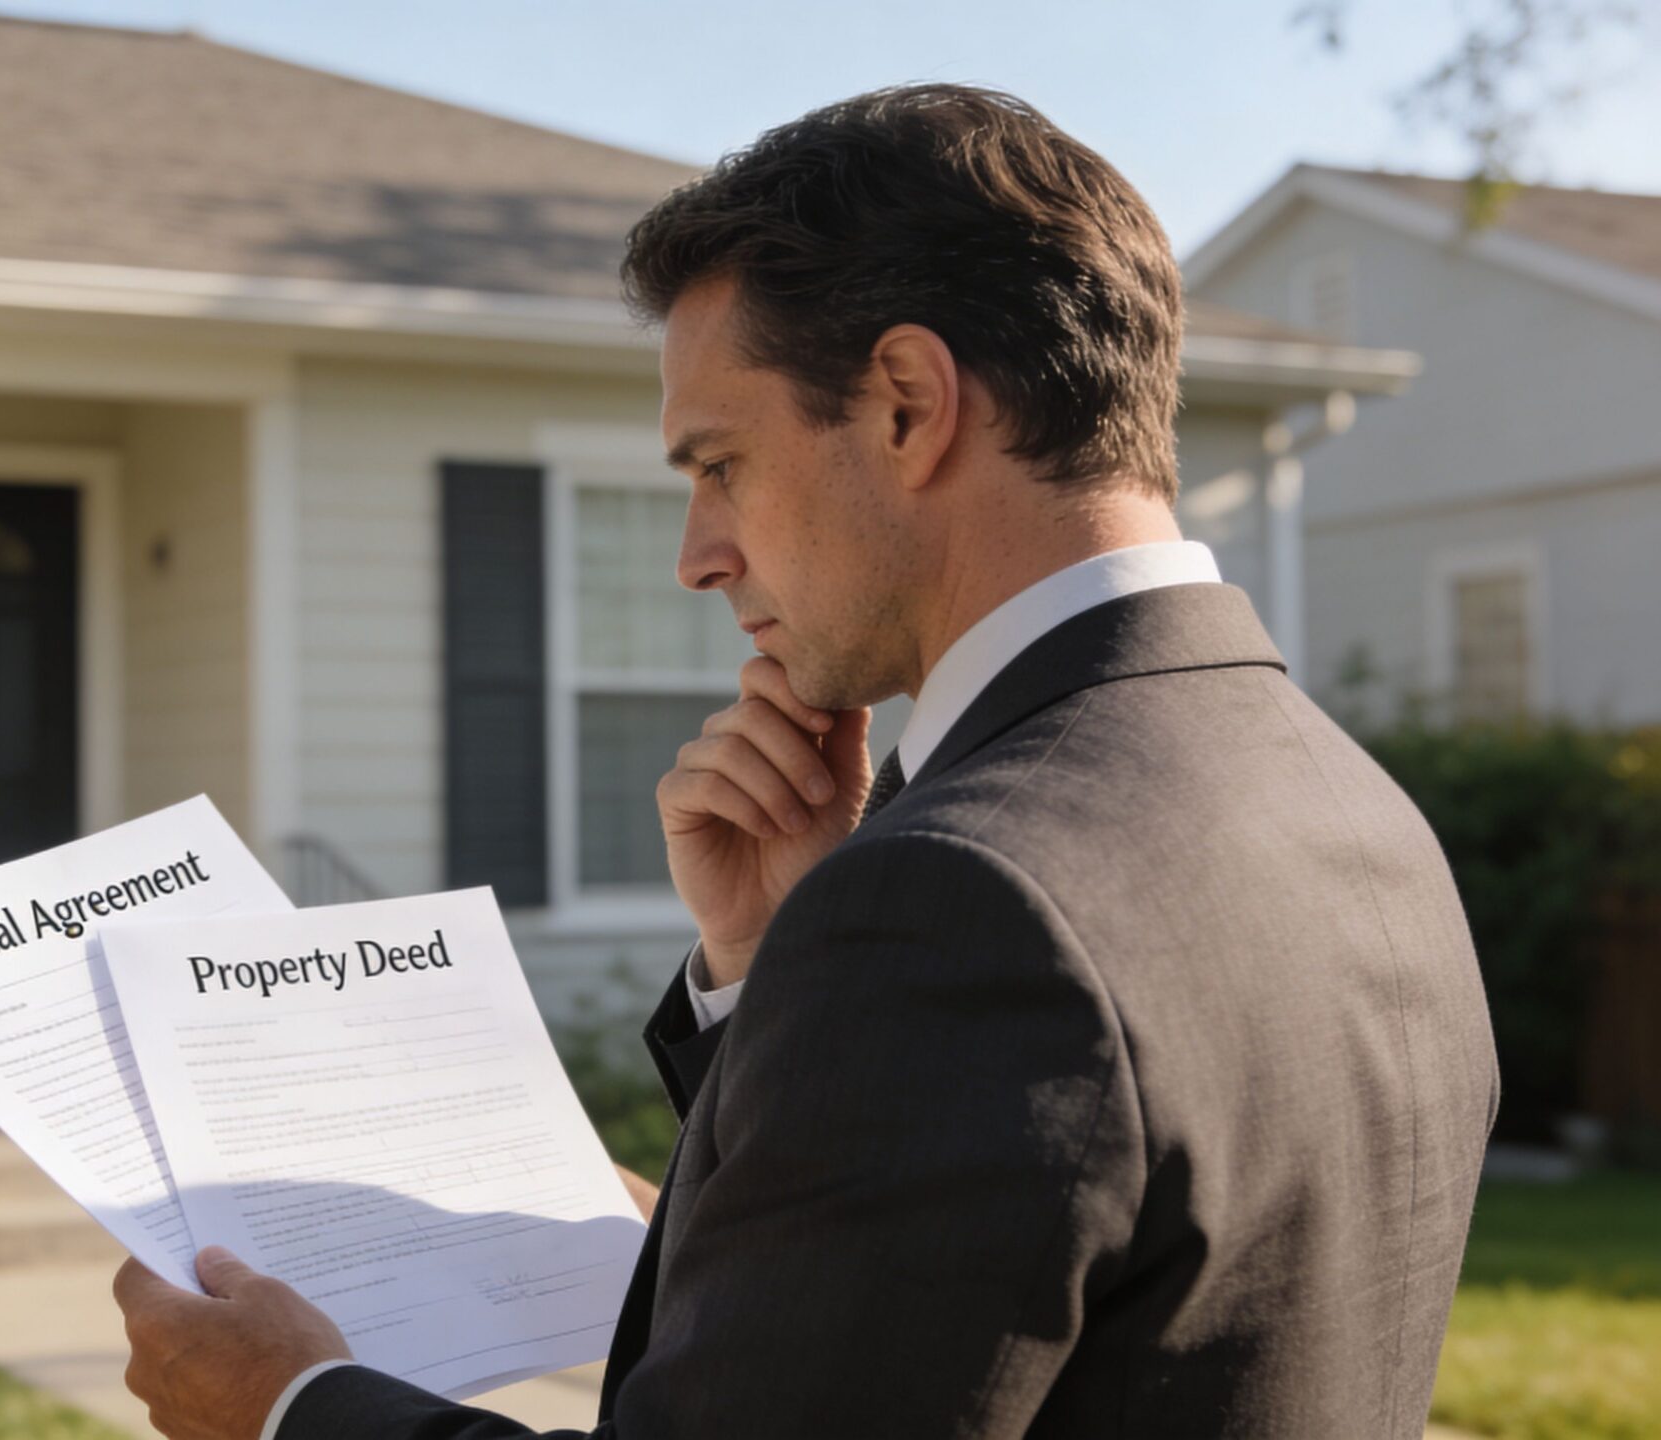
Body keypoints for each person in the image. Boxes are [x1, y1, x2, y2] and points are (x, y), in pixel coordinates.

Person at [112, 82, 1499, 1440]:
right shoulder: (1358, 812)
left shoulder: (967, 905)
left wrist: (292, 1409)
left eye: (719, 463)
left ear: (905, 402)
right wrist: (777, 965)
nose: (697, 554)